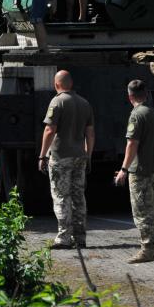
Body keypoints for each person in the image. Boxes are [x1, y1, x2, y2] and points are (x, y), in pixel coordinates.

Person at [115, 79, 154, 263]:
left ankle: (147, 249)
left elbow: (132, 144)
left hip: (140, 171)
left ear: (130, 96)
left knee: (142, 210)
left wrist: (124, 169)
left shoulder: (136, 115)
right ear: (146, 94)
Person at [40, 70, 95, 249]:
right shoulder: (85, 103)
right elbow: (90, 133)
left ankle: (64, 237)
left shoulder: (57, 102)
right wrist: (88, 154)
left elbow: (50, 130)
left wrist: (42, 154)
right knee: (78, 195)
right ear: (71, 84)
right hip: (80, 156)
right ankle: (80, 237)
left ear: (57, 85)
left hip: (60, 156)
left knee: (61, 196)